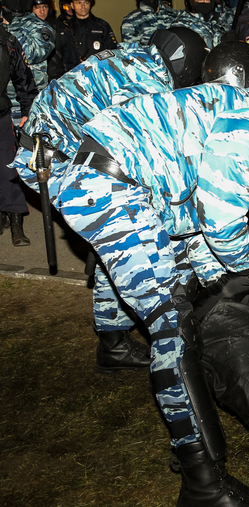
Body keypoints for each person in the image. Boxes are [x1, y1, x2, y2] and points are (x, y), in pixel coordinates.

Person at [55, 80, 249, 507]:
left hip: (107, 181)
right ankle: (206, 486)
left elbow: (193, 216)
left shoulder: (222, 105)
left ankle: (188, 429)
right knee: (172, 323)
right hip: (113, 188)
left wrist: (220, 280)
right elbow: (221, 219)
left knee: (182, 296)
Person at [11, 27, 209, 371]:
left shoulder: (136, 59)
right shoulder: (148, 85)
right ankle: (115, 343)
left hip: (49, 149)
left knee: (118, 240)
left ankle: (113, 335)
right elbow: (129, 147)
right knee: (128, 235)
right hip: (52, 159)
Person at [0, 22, 36, 247]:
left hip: (1, 115)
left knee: (8, 170)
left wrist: (27, 111)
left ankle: (16, 223)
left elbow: (23, 77)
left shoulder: (8, 41)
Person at [3, 0, 54, 117]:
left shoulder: (38, 25)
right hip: (4, 103)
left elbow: (33, 53)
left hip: (30, 102)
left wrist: (6, 32)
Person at [55, 0, 117, 74]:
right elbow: (58, 58)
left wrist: (93, 60)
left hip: (98, 73)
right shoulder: (64, 28)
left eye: (86, 2)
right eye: (79, 3)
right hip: (72, 76)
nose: (83, 6)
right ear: (72, 5)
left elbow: (113, 51)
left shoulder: (102, 26)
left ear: (90, 4)